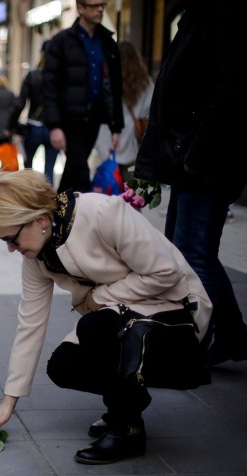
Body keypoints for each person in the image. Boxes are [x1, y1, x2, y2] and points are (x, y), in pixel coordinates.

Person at [0, 169, 211, 465]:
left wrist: (99, 299)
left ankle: (127, 428)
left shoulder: (102, 213)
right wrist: (8, 401)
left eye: (11, 238)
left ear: (39, 221)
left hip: (178, 315)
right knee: (63, 366)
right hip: (121, 318)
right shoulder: (37, 255)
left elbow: (164, 272)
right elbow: (30, 323)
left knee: (95, 327)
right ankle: (125, 404)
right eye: (1, 240)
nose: (10, 248)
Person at [134, 0, 247, 366]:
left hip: (207, 160)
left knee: (191, 256)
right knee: (191, 253)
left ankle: (191, 347)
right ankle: (231, 336)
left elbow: (232, 90)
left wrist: (199, 153)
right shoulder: (199, 12)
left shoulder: (221, 12)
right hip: (192, 157)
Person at [42, 1, 123, 193]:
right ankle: (83, 219)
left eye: (102, 5)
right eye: (94, 5)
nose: (100, 9)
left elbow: (115, 86)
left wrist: (116, 126)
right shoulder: (61, 41)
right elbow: (50, 86)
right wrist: (54, 126)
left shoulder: (108, 43)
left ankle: (57, 217)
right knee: (80, 173)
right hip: (70, 119)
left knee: (72, 172)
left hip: (93, 118)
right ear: (80, 8)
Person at [94, 41, 154, 183]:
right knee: (130, 197)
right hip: (132, 151)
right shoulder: (145, 84)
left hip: (106, 147)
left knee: (107, 195)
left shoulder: (106, 81)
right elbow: (150, 112)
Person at [8, 40, 59, 185]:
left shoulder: (33, 76)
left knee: (28, 170)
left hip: (33, 127)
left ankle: (29, 201)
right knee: (49, 170)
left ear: (41, 54)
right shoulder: (60, 78)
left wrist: (10, 125)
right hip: (53, 129)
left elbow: (19, 104)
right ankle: (49, 204)